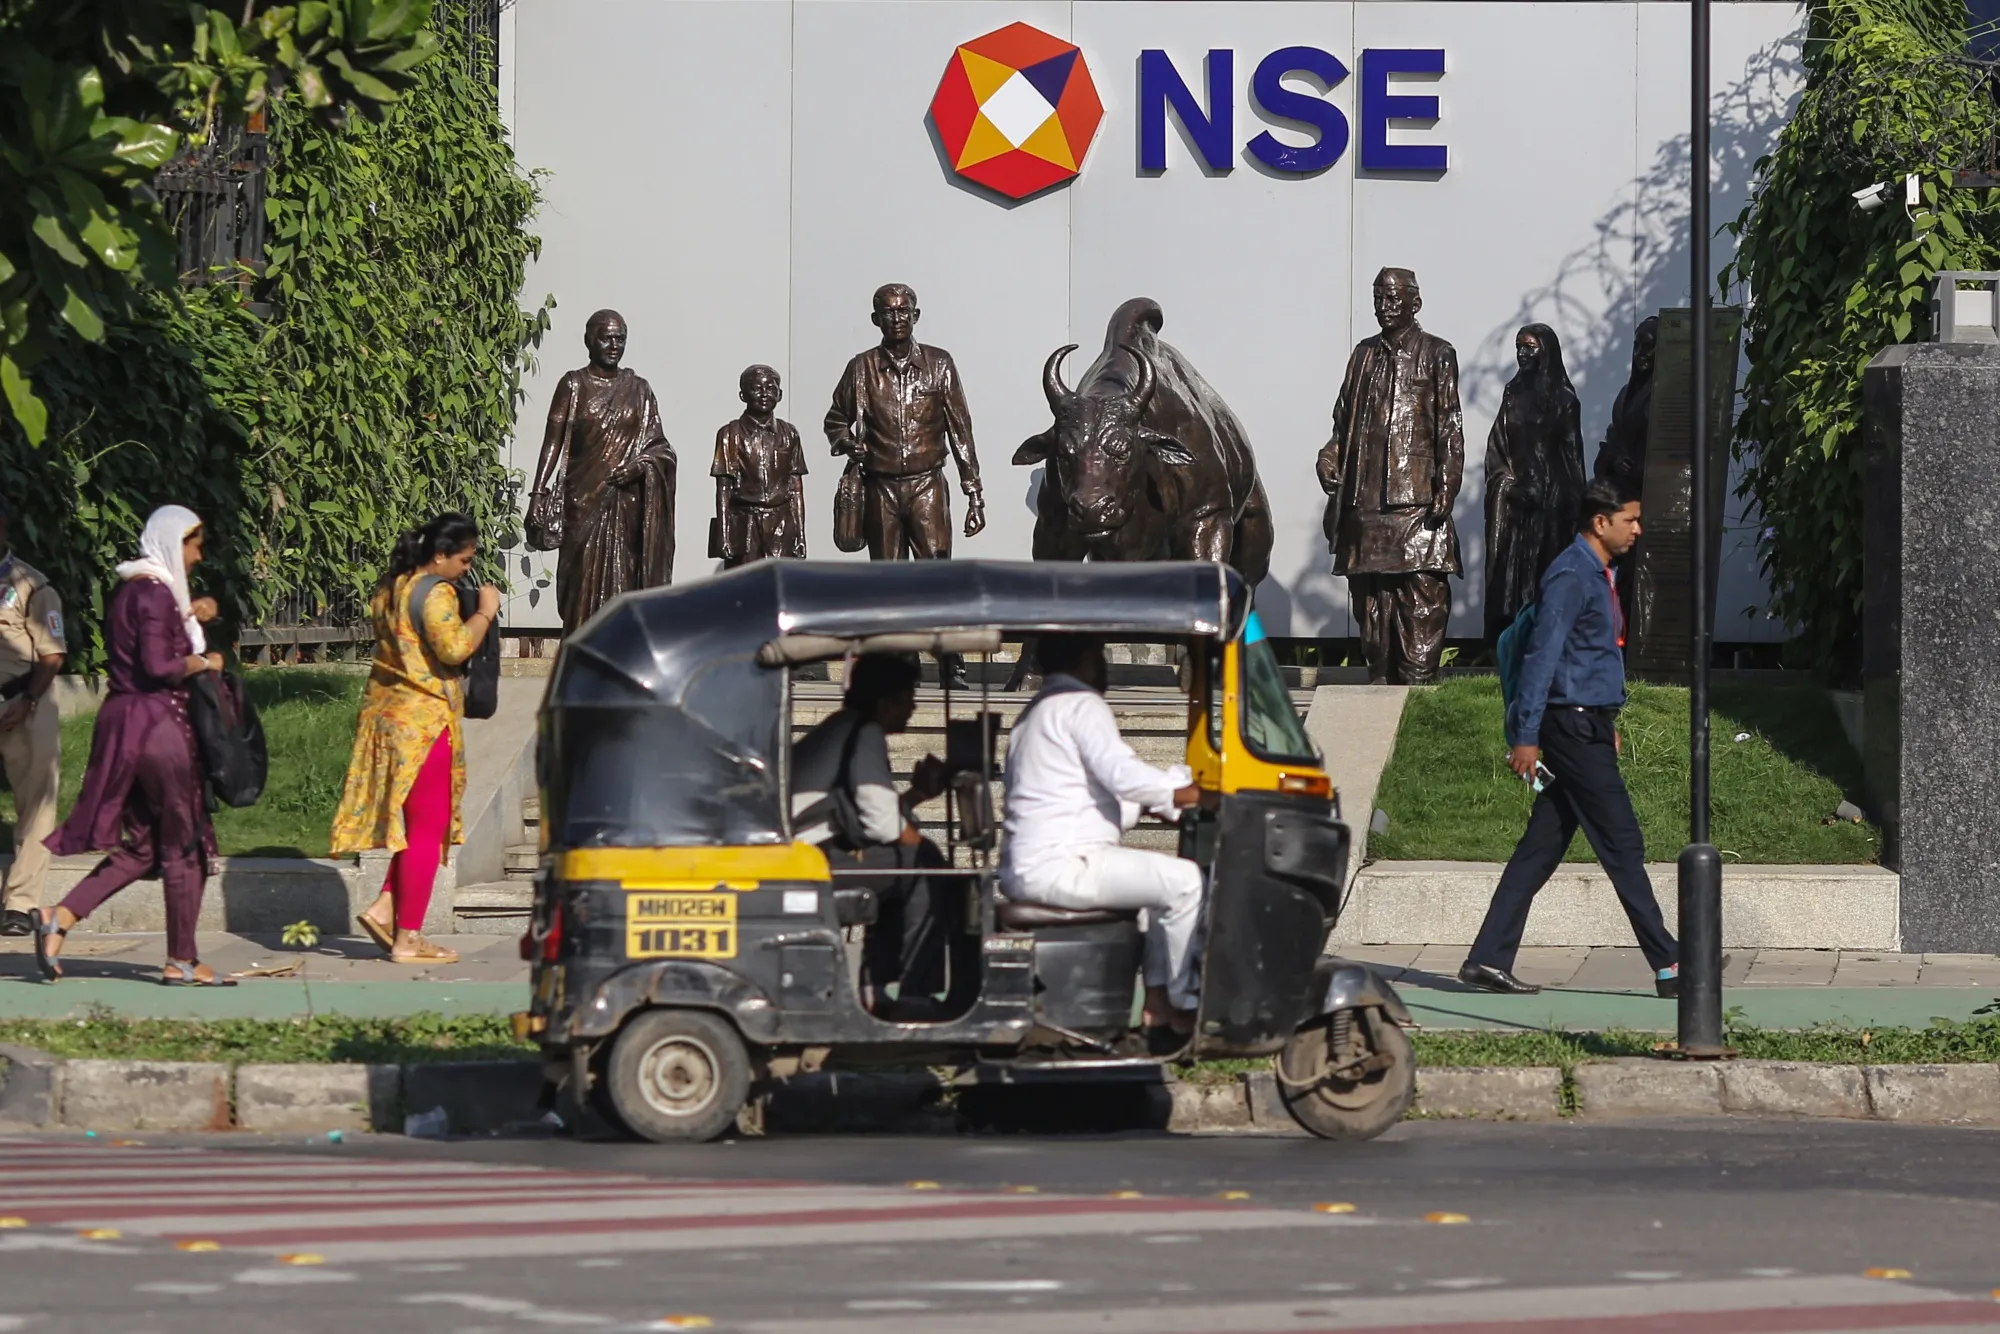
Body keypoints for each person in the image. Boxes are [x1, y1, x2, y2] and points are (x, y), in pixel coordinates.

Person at [1459, 481, 1680, 998]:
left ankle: (1486, 959)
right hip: (1568, 728)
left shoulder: (1597, 573)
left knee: (1542, 846)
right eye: (1630, 519)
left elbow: (1587, 659)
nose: (1637, 529)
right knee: (1621, 841)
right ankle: (1670, 964)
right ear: (1600, 523)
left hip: (1587, 723)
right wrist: (1526, 736)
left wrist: (1609, 724)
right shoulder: (1570, 574)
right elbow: (1542, 658)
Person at [38, 506, 226, 984]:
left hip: (124, 724)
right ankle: (182, 958)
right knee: (186, 844)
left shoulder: (130, 590)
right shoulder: (156, 593)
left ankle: (59, 918)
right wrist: (205, 662)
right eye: (194, 544)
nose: (198, 557)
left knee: (143, 847)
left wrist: (190, 611)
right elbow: (161, 666)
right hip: (158, 726)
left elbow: (146, 643)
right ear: (173, 542)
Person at [999, 633, 1204, 1035]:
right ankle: (1187, 1006)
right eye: (1100, 656)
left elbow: (1101, 794)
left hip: (1038, 864)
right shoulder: (1080, 703)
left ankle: (1157, 1004)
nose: (1105, 667)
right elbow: (1123, 776)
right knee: (1186, 883)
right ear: (1086, 660)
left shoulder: (1038, 711)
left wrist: (1159, 798)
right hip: (1062, 864)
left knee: (1153, 898)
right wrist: (1192, 793)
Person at [333, 513, 501, 965]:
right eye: (463, 560)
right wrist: (485, 611)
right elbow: (455, 648)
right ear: (440, 556)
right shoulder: (436, 593)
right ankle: (409, 938)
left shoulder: (391, 587)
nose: (467, 569)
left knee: (416, 829)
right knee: (427, 833)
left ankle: (385, 907)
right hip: (424, 724)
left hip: (387, 717)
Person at [823, 283, 985, 688]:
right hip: (880, 486)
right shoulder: (860, 368)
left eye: (903, 311)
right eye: (887, 312)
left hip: (927, 483)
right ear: (876, 319)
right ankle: (902, 665)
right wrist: (848, 444)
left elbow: (960, 430)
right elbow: (834, 420)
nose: (896, 319)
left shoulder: (939, 364)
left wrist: (974, 492)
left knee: (937, 577)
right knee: (888, 580)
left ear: (915, 315)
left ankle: (951, 663)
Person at [790, 653, 964, 1018]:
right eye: (907, 699)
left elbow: (869, 815)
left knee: (912, 861)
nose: (914, 707)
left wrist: (916, 796)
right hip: (806, 862)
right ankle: (913, 990)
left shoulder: (846, 727)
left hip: (811, 853)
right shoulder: (863, 731)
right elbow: (883, 827)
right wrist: (925, 852)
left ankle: (879, 986)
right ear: (884, 704)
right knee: (924, 866)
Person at [1316, 267, 1466, 685]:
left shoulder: (1437, 353)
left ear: (1415, 304)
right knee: (1370, 603)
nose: (1385, 306)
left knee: (1422, 597)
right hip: (1364, 501)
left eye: (1394, 298)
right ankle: (1380, 675)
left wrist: (1447, 483)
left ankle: (1416, 684)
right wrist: (1330, 457)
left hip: (1415, 501)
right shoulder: (1363, 355)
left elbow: (1450, 426)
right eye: (1379, 298)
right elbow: (1342, 423)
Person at [526, 309, 677, 634]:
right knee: (579, 586)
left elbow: (660, 447)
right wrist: (537, 493)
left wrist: (640, 466)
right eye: (606, 337)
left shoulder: (639, 389)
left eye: (619, 338)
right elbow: (551, 441)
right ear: (588, 340)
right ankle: (579, 654)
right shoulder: (573, 385)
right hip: (581, 503)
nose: (613, 345)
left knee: (622, 580)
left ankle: (617, 651)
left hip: (626, 507)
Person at [1483, 323, 1588, 643]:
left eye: (1530, 347)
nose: (1522, 354)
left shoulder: (1565, 400)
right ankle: (1510, 646)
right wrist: (1508, 485)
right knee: (1512, 582)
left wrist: (1569, 503)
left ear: (1547, 352)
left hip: (1552, 507)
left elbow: (1573, 459)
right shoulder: (1512, 395)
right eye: (1519, 347)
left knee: (1546, 578)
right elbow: (1497, 448)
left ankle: (1547, 644)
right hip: (1516, 503)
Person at [0, 496, 67, 937]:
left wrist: (26, 701)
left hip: (21, 703)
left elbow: (52, 653)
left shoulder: (32, 585)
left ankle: (20, 904)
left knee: (36, 804)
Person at [712, 364, 807, 567]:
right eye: (756, 388)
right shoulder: (730, 434)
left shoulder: (790, 434)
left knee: (780, 581)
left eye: (771, 388)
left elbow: (795, 488)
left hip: (782, 521)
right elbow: (723, 489)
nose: (764, 394)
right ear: (742, 395)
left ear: (780, 394)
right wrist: (724, 533)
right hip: (745, 522)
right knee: (744, 584)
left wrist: (800, 533)